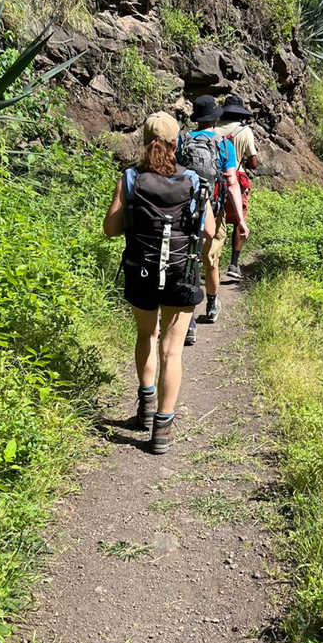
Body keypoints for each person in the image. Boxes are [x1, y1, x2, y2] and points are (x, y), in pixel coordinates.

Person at [104, 111, 215, 455]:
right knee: (172, 349)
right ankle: (161, 431)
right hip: (181, 275)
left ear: (143, 139)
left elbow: (110, 229)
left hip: (142, 272)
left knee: (146, 336)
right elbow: (209, 230)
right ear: (176, 142)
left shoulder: (130, 179)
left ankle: (145, 406)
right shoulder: (194, 181)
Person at [178, 95, 249, 345]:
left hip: (183, 208)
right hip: (213, 210)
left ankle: (189, 323)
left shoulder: (183, 139)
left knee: (188, 261)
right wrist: (240, 219)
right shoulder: (223, 145)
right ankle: (210, 304)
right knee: (210, 260)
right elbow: (231, 183)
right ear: (215, 118)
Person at [215, 94, 258, 281]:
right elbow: (253, 162)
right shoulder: (244, 131)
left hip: (214, 180)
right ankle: (233, 263)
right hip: (236, 180)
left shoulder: (213, 129)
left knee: (214, 219)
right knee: (239, 220)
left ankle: (211, 260)